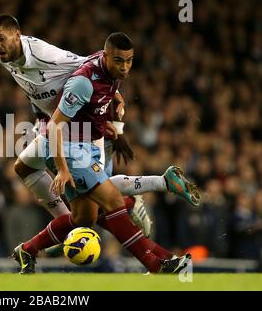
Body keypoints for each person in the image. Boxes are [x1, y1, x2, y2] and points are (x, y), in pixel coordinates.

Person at [0, 14, 200, 237]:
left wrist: (116, 96)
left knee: (93, 193)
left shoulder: (46, 55)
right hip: (54, 122)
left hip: (79, 122)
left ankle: (150, 191)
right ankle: (78, 223)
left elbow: (93, 66)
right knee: (31, 170)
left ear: (18, 35)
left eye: (1, 38)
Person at [12, 32, 191, 274]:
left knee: (85, 218)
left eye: (129, 61)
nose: (125, 67)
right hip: (69, 147)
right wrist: (62, 168)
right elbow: (54, 125)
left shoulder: (111, 72)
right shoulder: (82, 82)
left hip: (83, 144)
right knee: (113, 201)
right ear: (105, 56)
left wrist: (117, 130)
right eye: (119, 61)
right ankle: (156, 264)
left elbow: (103, 102)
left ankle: (28, 249)